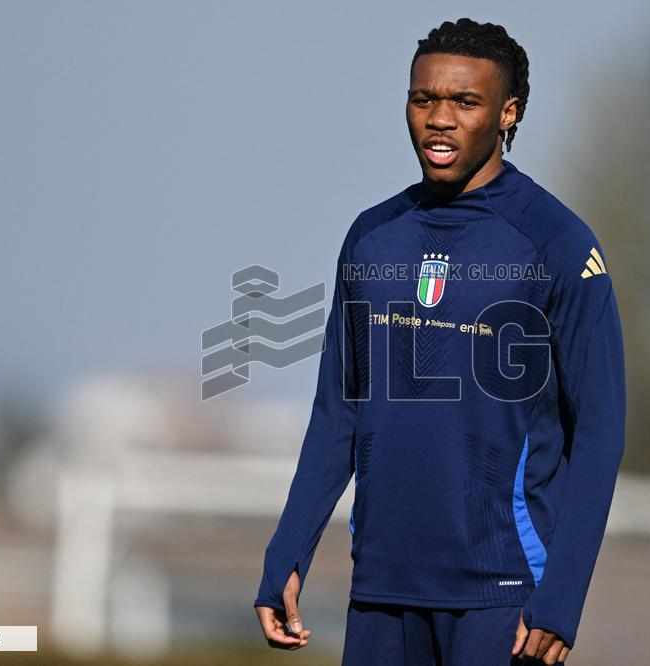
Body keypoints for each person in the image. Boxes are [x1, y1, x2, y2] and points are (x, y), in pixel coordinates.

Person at [253, 17, 626, 666]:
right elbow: (337, 414)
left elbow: (599, 431)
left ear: (508, 112)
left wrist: (562, 596)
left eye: (465, 101)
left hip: (503, 598)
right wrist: (288, 550)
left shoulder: (559, 243)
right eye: (423, 99)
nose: (440, 119)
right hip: (380, 592)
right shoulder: (372, 238)